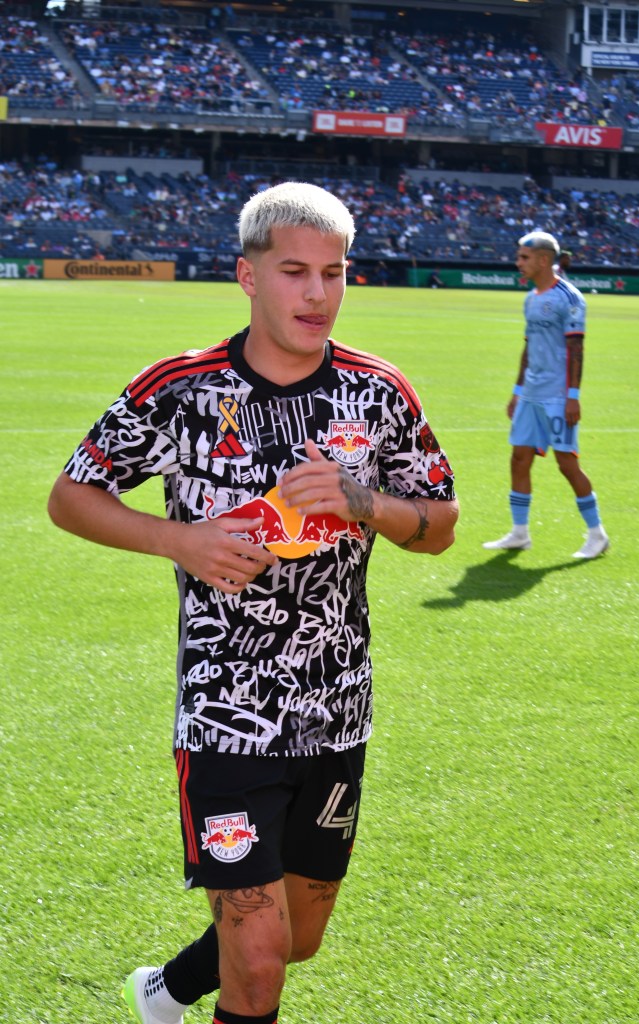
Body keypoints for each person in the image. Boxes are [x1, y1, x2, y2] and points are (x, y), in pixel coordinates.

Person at [48, 181, 459, 1024]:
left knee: (297, 939)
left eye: (334, 274)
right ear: (247, 275)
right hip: (226, 714)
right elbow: (70, 497)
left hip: (338, 710)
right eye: (295, 272)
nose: (316, 295)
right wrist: (181, 540)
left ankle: (164, 990)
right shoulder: (181, 389)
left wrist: (363, 502)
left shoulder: (379, 394)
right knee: (263, 955)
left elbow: (441, 525)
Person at [483, 230, 608, 559]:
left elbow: (576, 348)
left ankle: (597, 535)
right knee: (519, 459)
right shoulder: (531, 299)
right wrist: (516, 391)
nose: (518, 263)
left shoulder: (569, 298)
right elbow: (529, 347)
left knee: (566, 463)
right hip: (531, 395)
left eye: (523, 258)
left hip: (557, 396)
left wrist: (573, 396)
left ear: (542, 259)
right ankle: (519, 533)